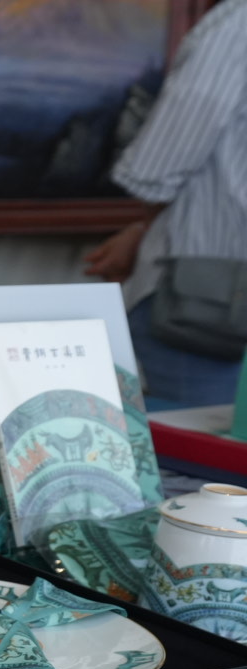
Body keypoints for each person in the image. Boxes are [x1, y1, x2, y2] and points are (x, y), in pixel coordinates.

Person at [84, 0, 247, 405]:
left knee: (197, 441)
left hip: (207, 299)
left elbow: (156, 169)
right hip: (208, 298)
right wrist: (143, 231)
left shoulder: (238, 22)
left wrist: (145, 226)